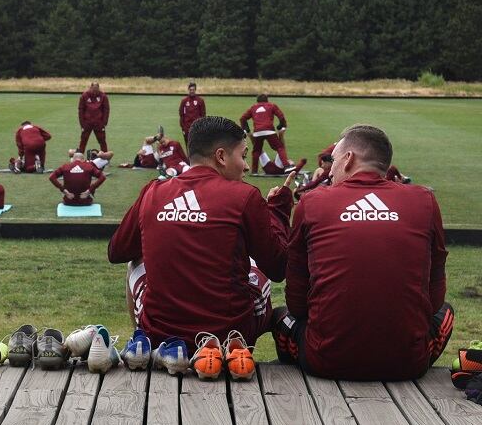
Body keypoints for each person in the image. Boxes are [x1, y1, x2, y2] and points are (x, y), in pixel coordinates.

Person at [274, 124, 453, 381]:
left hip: (325, 360)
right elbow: (435, 297)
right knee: (445, 311)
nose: (330, 169)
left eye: (333, 160)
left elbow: (296, 302)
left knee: (280, 316)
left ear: (348, 159)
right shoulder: (424, 200)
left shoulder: (312, 202)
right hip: (407, 364)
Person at [108, 116, 294, 351]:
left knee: (135, 261)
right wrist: (277, 210)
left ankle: (143, 342)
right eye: (243, 156)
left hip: (161, 334)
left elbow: (117, 251)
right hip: (228, 334)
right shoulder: (245, 196)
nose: (247, 166)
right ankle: (234, 351)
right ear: (221, 156)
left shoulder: (153, 191)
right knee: (257, 268)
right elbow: (278, 267)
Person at [240, 94, 290, 175]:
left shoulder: (253, 107)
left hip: (257, 132)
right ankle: (287, 166)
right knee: (280, 148)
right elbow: (281, 116)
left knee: (256, 151)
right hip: (269, 130)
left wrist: (246, 128)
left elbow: (242, 118)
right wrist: (282, 125)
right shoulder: (272, 105)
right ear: (267, 100)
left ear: (257, 101)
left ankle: (254, 171)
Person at [78, 82, 110, 153]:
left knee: (102, 141)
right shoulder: (84, 96)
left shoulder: (103, 96)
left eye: (96, 89)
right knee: (83, 141)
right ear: (90, 88)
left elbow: (106, 110)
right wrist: (82, 123)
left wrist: (104, 122)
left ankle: (105, 159)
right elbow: (81, 110)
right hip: (87, 123)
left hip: (99, 123)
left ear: (99, 88)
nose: (95, 91)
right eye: (93, 89)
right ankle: (79, 159)